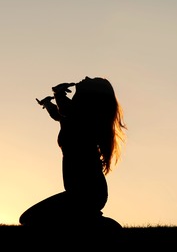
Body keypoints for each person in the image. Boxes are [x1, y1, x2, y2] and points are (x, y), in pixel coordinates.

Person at [19, 76, 126, 230]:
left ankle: (105, 227)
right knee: (28, 218)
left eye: (90, 80)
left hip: (88, 193)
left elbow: (65, 110)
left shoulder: (84, 115)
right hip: (78, 193)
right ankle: (91, 222)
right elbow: (57, 114)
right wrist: (47, 103)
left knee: (30, 219)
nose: (85, 77)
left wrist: (58, 93)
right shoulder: (72, 116)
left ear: (92, 93)